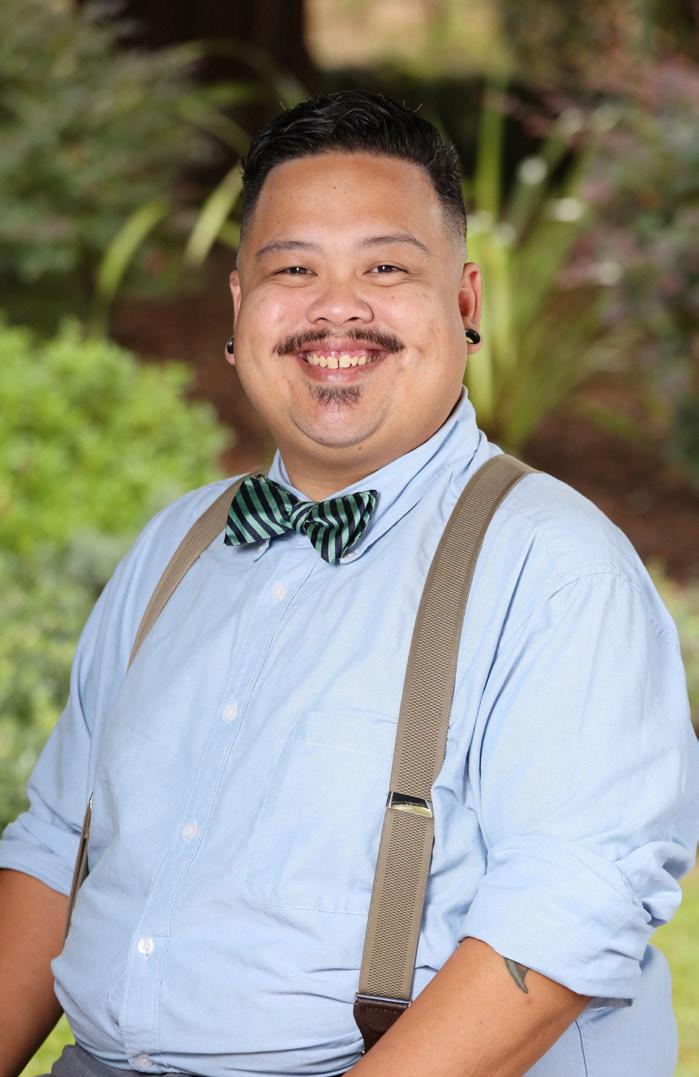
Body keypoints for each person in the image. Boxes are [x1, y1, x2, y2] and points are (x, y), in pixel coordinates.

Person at [0, 90, 697, 1077]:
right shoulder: (175, 547)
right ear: (239, 309)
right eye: (294, 269)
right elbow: (55, 848)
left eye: (385, 268)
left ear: (464, 305)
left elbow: (565, 916)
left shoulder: (555, 567)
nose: (336, 308)